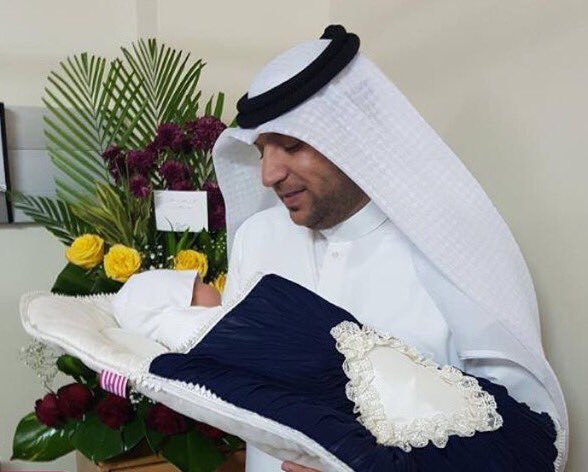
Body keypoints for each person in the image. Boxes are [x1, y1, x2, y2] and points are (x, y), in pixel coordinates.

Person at [115, 24, 567, 471]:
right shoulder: (258, 237)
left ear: (351, 137)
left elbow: (525, 443)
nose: (269, 175)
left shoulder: (450, 249)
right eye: (261, 150)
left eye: (291, 144)